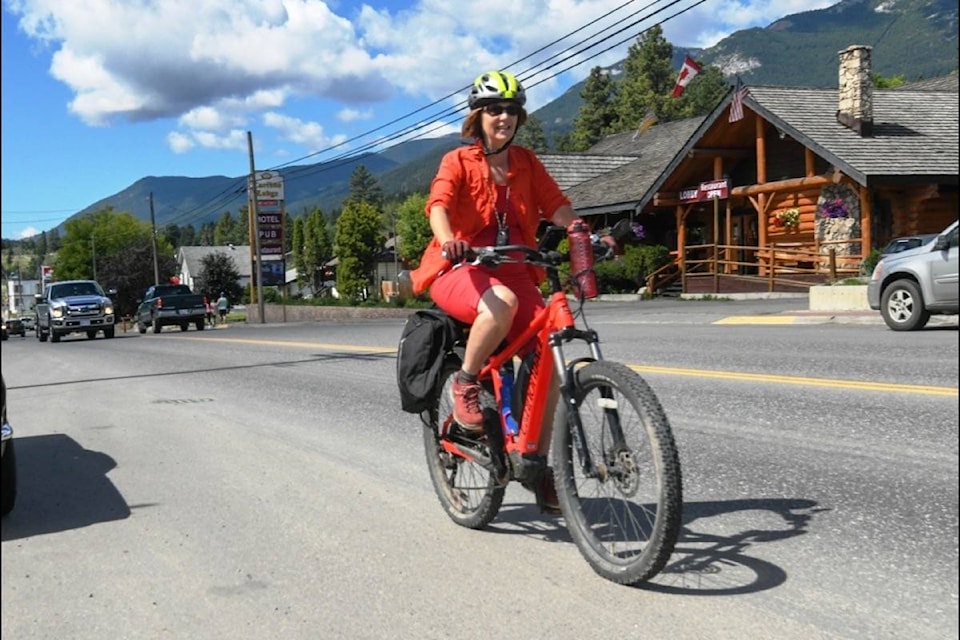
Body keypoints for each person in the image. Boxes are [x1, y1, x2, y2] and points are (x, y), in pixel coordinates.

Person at [410, 70, 602, 511]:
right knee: (503, 305)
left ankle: (533, 462)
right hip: (461, 267)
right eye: (495, 109)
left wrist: (579, 231)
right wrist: (447, 242)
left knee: (548, 355)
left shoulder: (526, 162)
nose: (504, 117)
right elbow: (438, 205)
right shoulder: (456, 162)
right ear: (477, 117)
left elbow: (556, 205)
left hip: (517, 268)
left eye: (512, 110)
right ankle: (465, 383)